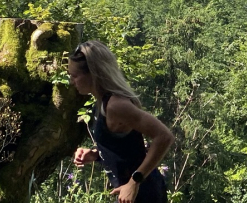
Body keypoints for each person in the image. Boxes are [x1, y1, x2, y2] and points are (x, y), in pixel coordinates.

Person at [68, 40, 174, 203]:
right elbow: (126, 148)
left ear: (93, 74)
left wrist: (134, 182)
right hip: (130, 194)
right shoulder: (102, 101)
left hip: (144, 193)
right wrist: (95, 154)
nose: (71, 81)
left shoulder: (116, 105)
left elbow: (164, 136)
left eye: (74, 76)